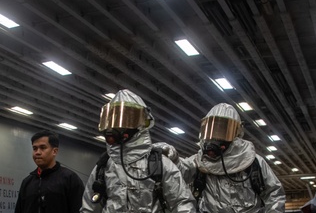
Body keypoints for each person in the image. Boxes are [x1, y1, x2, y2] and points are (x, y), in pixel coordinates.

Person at [80, 89, 196, 213]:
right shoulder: (104, 166)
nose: (117, 126)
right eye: (114, 120)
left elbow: (182, 204)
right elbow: (89, 208)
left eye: (126, 120)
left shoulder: (159, 164)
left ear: (140, 125)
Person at [157, 103, 286, 212]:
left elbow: (274, 194)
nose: (215, 137)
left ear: (236, 133)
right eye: (210, 130)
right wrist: (173, 159)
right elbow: (181, 173)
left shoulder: (253, 162)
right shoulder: (199, 161)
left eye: (222, 131)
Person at [15, 130, 85, 213]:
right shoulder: (27, 183)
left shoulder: (70, 179)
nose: (37, 152)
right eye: (35, 148)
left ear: (54, 151)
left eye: (43, 148)